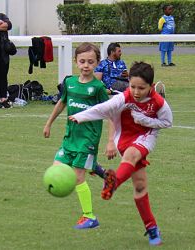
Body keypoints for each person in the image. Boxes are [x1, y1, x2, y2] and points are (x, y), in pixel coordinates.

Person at [69, 62, 173, 246]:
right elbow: (104, 109)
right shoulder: (124, 98)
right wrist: (81, 116)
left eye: (141, 88)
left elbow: (167, 122)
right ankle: (151, 228)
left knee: (132, 156)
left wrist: (145, 120)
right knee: (140, 186)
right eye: (132, 86)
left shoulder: (158, 102)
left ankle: (113, 183)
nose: (136, 91)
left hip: (146, 137)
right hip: (124, 138)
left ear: (151, 85)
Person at [43, 42, 111, 230]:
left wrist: (111, 141)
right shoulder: (70, 82)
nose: (86, 65)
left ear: (97, 63)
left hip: (88, 140)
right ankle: (104, 174)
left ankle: (89, 216)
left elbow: (111, 113)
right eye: (82, 61)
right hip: (70, 138)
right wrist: (48, 123)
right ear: (76, 62)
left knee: (78, 177)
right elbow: (61, 103)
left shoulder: (98, 87)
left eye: (90, 61)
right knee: (57, 167)